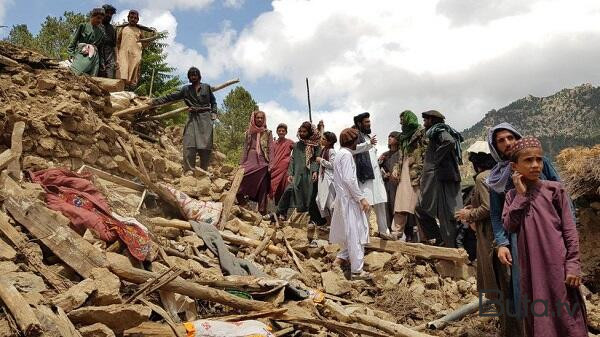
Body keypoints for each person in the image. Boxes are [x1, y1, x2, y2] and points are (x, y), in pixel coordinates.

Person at [503, 137, 588, 337]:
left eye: (539, 160)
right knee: (539, 315)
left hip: (558, 267)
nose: (535, 165)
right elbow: (509, 226)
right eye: (528, 160)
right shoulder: (511, 196)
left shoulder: (555, 190)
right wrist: (521, 196)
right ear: (515, 166)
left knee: (567, 317)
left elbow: (569, 230)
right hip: (531, 269)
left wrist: (573, 264)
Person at [488, 122, 566, 337]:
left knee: (556, 281)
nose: (508, 143)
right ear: (494, 147)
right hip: (517, 236)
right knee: (525, 286)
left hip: (549, 233)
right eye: (501, 141)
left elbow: (561, 198)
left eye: (510, 137)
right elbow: (496, 214)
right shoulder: (496, 178)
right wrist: (502, 243)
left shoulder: (541, 164)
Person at [454, 141, 511, 333]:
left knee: (495, 282)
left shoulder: (482, 178)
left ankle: (506, 327)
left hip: (489, 235)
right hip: (498, 233)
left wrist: (468, 215)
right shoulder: (499, 175)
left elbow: (487, 208)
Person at [151, 67, 217, 172]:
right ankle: (189, 170)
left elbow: (213, 102)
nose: (193, 77)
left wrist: (214, 112)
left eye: (195, 75)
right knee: (189, 142)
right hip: (192, 117)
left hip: (205, 117)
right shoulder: (186, 89)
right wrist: (156, 101)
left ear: (199, 76)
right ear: (189, 78)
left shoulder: (206, 87)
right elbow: (171, 97)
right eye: (191, 75)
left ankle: (203, 170)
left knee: (205, 145)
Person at [415, 110, 463, 248]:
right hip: (437, 178)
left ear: (432, 120)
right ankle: (439, 239)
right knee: (420, 208)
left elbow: (449, 141)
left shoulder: (439, 130)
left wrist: (436, 158)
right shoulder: (435, 133)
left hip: (441, 179)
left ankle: (451, 248)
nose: (424, 123)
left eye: (425, 120)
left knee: (446, 215)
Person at [329, 128, 372, 280]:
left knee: (350, 234)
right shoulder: (346, 156)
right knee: (356, 235)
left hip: (344, 199)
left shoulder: (340, 154)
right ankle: (357, 271)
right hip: (349, 200)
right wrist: (361, 198)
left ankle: (343, 260)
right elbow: (349, 179)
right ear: (353, 142)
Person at [391, 110, 428, 241]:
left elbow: (426, 153)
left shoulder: (421, 133)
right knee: (401, 203)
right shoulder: (403, 138)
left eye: (403, 119)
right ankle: (396, 232)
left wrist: (424, 171)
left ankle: (425, 236)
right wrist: (396, 168)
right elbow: (400, 157)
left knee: (419, 206)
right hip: (405, 172)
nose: (401, 122)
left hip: (417, 173)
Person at [352, 112, 390, 238]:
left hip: (376, 177)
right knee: (366, 206)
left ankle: (384, 231)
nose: (369, 124)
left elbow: (371, 156)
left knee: (380, 203)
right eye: (366, 122)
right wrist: (368, 145)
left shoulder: (368, 137)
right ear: (359, 123)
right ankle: (364, 235)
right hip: (364, 177)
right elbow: (353, 149)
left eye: (369, 122)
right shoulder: (355, 136)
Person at [276, 122, 321, 221]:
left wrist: (315, 171)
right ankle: (279, 212)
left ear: (309, 132)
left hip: (309, 175)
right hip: (297, 174)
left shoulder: (315, 146)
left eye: (304, 132)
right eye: (300, 131)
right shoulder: (296, 145)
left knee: (310, 196)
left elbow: (316, 159)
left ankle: (313, 220)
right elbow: (292, 159)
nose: (302, 133)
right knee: (289, 190)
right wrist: (290, 173)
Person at [237, 111, 273, 215]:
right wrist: (242, 163)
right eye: (258, 118)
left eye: (262, 118)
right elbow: (245, 149)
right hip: (250, 159)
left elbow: (271, 149)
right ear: (254, 118)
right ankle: (242, 202)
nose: (260, 120)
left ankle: (261, 211)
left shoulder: (268, 133)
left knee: (263, 185)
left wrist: (271, 164)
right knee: (242, 179)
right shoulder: (249, 132)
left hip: (263, 161)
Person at [116, 10, 157, 87]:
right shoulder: (123, 28)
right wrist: (117, 53)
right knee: (122, 71)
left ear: (137, 20)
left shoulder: (139, 30)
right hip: (123, 53)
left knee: (133, 72)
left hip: (135, 55)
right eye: (131, 17)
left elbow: (144, 44)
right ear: (128, 18)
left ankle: (129, 88)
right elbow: (118, 42)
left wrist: (151, 39)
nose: (133, 19)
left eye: (135, 18)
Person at [67, 8, 106, 76]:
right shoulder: (83, 26)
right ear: (92, 16)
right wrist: (71, 53)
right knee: (75, 73)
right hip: (83, 53)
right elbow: (74, 40)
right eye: (98, 18)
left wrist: (102, 62)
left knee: (92, 78)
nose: (99, 21)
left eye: (101, 19)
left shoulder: (101, 33)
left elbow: (100, 49)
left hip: (94, 57)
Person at [379, 131, 400, 232]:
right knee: (388, 206)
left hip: (398, 184)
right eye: (389, 136)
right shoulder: (385, 155)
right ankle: (389, 230)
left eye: (392, 136)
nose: (389, 138)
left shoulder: (401, 153)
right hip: (387, 184)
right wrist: (384, 173)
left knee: (398, 206)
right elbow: (378, 168)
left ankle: (406, 232)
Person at [315, 131, 337, 225]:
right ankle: (329, 222)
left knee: (330, 203)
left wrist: (321, 160)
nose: (322, 140)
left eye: (324, 139)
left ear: (329, 141)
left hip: (329, 180)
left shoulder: (332, 151)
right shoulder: (323, 150)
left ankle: (334, 225)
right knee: (319, 201)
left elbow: (333, 165)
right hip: (322, 179)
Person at [270, 123, 295, 204]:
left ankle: (281, 210)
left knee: (283, 187)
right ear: (277, 132)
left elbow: (298, 149)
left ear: (286, 132)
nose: (281, 132)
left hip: (285, 169)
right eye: (279, 131)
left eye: (283, 131)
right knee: (271, 186)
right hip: (274, 168)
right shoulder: (273, 143)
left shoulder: (289, 142)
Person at [99, 4, 117, 78]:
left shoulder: (112, 29)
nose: (109, 15)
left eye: (111, 14)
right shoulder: (96, 25)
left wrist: (117, 60)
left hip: (109, 58)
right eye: (107, 13)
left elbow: (114, 46)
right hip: (97, 57)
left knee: (109, 78)